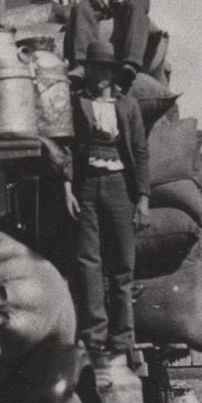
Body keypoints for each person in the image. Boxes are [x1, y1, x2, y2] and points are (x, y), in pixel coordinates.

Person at [61, 41, 150, 357]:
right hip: (87, 186)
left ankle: (123, 337)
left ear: (113, 73)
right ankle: (95, 334)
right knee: (88, 260)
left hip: (120, 187)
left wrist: (142, 198)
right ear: (88, 71)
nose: (100, 74)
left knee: (123, 265)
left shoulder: (127, 106)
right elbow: (67, 147)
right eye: (95, 68)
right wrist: (68, 186)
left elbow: (140, 151)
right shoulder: (77, 103)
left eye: (106, 69)